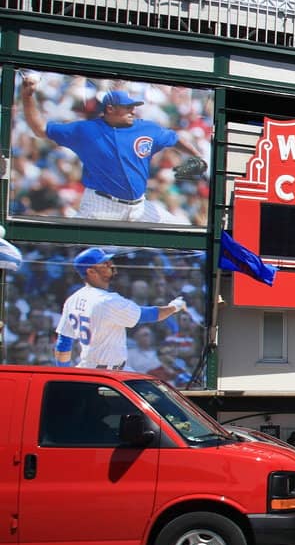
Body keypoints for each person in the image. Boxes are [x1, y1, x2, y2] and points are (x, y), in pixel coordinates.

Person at [19, 76, 208, 223]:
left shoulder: (147, 128)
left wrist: (197, 155)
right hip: (101, 205)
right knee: (80, 248)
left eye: (133, 106)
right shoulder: (86, 130)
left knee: (182, 236)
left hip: (139, 207)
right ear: (109, 109)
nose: (133, 111)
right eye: (127, 107)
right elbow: (40, 128)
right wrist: (27, 96)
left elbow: (174, 139)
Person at [55, 248, 185, 370]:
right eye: (104, 263)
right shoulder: (107, 300)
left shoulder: (73, 299)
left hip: (91, 369)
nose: (110, 265)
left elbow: (63, 344)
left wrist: (64, 374)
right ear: (91, 271)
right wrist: (174, 306)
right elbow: (149, 315)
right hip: (106, 373)